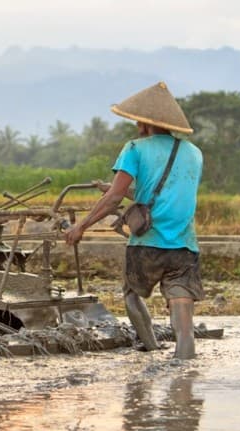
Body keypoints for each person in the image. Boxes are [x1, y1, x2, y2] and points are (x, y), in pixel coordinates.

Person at [64, 81, 204, 359]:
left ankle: (151, 348)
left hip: (146, 243)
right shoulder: (194, 153)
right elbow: (161, 195)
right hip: (184, 247)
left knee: (131, 294)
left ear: (144, 123)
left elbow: (116, 198)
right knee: (184, 324)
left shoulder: (135, 148)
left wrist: (81, 226)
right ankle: (185, 380)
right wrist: (114, 189)